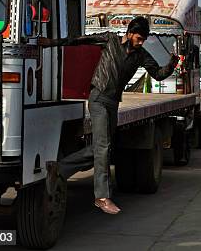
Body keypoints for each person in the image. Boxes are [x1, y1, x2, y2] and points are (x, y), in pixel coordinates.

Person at [41, 16, 179, 214]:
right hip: (98, 98)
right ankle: (102, 197)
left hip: (113, 102)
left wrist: (172, 65)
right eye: (139, 38)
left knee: (103, 148)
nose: (140, 42)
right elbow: (80, 40)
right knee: (103, 147)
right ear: (129, 33)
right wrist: (51, 43)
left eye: (143, 40)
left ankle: (60, 168)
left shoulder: (141, 55)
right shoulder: (110, 40)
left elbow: (157, 73)